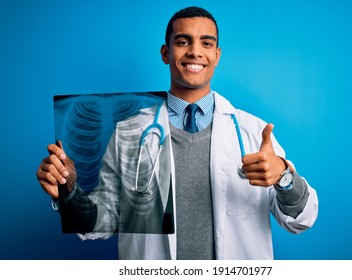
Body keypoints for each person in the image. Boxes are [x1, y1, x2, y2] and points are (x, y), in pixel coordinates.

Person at [36, 6, 318, 260]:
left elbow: (300, 220)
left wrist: (284, 176)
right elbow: (106, 220)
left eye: (206, 43)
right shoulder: (130, 132)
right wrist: (69, 190)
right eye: (183, 42)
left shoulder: (253, 132)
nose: (195, 51)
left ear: (217, 55)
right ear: (165, 53)